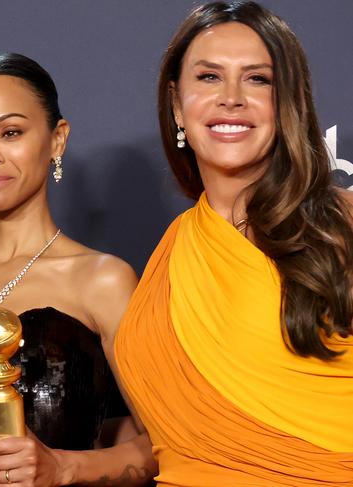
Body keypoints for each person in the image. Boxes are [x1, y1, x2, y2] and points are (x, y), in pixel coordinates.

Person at [114, 2, 353, 485]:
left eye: (257, 79)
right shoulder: (174, 251)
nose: (231, 99)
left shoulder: (343, 224)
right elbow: (179, 443)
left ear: (287, 103)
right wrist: (66, 465)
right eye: (208, 77)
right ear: (178, 104)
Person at [0, 53, 156, 486]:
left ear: (57, 139)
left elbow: (164, 445)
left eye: (10, 133)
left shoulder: (102, 281)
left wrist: (64, 467)